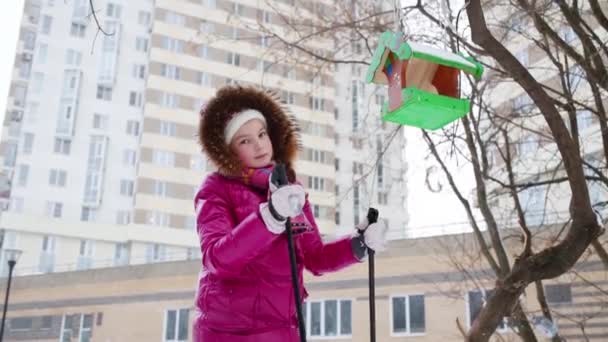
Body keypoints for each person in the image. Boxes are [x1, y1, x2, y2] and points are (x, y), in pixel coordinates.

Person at [193, 85, 388, 341]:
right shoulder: (216, 188)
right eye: (244, 140)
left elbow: (314, 257)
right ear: (227, 150)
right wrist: (269, 219)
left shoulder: (290, 190)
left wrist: (358, 245)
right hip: (229, 332)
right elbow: (217, 259)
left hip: (284, 331)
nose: (259, 145)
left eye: (262, 134)